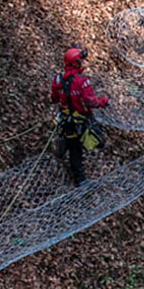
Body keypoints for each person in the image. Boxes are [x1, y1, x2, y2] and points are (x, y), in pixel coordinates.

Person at [50, 45, 109, 185]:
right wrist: (104, 101)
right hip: (80, 120)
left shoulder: (58, 79)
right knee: (89, 143)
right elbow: (90, 102)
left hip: (66, 119)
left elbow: (54, 98)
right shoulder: (82, 81)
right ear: (75, 63)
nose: (82, 63)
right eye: (80, 61)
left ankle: (65, 151)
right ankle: (80, 180)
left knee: (74, 145)